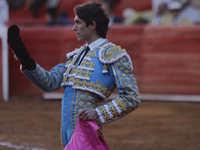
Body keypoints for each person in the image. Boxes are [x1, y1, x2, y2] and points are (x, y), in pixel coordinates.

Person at [7, 1, 140, 148]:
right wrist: (27, 61)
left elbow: (131, 98)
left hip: (86, 128)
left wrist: (98, 112)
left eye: (78, 22)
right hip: (66, 127)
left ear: (92, 25)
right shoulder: (76, 56)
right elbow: (49, 82)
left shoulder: (113, 55)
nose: (74, 27)